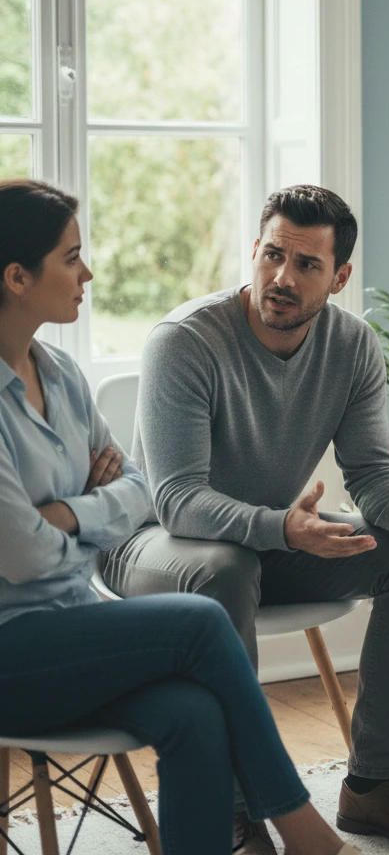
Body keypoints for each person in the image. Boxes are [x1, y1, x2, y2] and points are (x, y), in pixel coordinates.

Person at [99, 184, 389, 854]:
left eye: (306, 265)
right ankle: (235, 809)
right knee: (225, 566)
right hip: (149, 545)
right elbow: (178, 500)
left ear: (340, 276)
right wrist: (283, 529)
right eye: (273, 255)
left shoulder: (352, 345)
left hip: (263, 541)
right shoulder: (187, 341)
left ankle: (374, 787)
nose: (282, 277)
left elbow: (370, 471)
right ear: (254, 250)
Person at [0, 179, 357, 855]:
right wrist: (86, 518)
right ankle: (306, 833)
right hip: (10, 653)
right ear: (17, 276)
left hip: (72, 627)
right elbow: (21, 555)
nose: (90, 271)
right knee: (199, 620)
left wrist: (66, 517)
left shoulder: (64, 376)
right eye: (72, 257)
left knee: (193, 714)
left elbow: (136, 488)